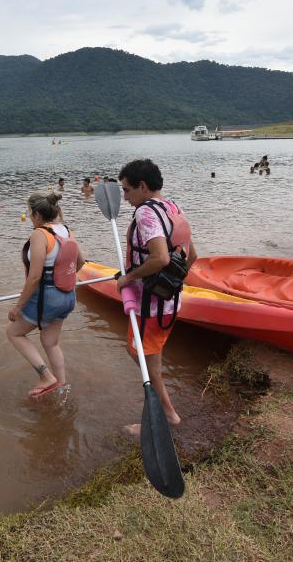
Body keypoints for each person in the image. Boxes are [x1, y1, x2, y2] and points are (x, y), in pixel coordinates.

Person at [115, 159, 198, 434]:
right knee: (151, 360)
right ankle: (165, 412)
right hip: (170, 303)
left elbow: (161, 257)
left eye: (127, 190)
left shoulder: (146, 213)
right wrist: (171, 285)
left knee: (141, 355)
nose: (125, 198)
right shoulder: (173, 207)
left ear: (142, 186)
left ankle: (164, 417)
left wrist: (127, 278)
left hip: (150, 307)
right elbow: (192, 255)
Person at [6, 192, 85, 399]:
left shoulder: (39, 235)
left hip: (47, 298)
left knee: (14, 332)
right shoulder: (66, 230)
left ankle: (46, 376)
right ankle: (61, 384)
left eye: (31, 214)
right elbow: (81, 262)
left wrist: (18, 307)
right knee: (51, 342)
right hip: (67, 297)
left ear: (38, 214)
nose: (31, 218)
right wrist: (62, 280)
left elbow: (34, 278)